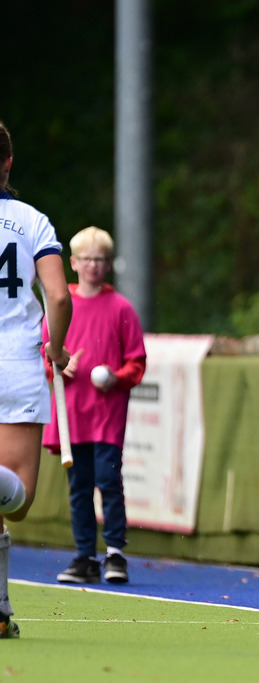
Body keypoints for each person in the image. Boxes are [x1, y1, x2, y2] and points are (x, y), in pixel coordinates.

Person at [39, 227, 146, 585]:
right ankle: (85, 556)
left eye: (100, 260)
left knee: (108, 481)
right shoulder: (59, 306)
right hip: (73, 417)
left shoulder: (121, 308)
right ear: (73, 263)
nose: (93, 266)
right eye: (86, 259)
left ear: (109, 264)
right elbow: (45, 354)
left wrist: (116, 377)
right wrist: (59, 364)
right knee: (80, 485)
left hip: (107, 416)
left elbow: (136, 363)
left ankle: (115, 553)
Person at [0, 120, 73, 638]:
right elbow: (61, 297)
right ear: (7, 164)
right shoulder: (30, 222)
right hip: (18, 366)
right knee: (17, 501)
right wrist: (58, 345)